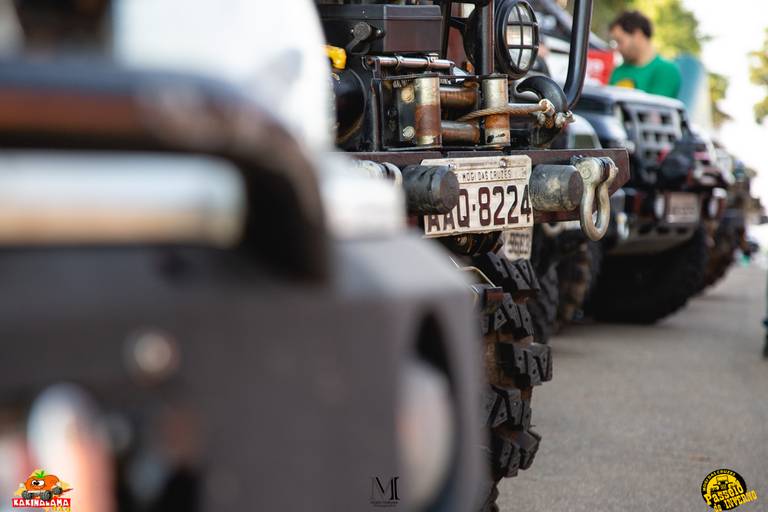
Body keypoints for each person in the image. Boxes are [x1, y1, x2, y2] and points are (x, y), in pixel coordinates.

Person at [608, 10, 681, 98]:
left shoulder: (666, 70)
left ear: (638, 35)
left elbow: (655, 105)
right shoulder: (618, 71)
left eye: (620, 41)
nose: (617, 48)